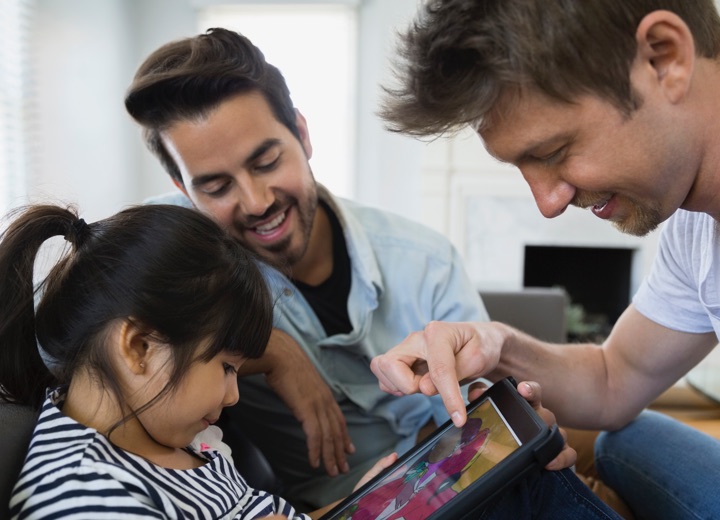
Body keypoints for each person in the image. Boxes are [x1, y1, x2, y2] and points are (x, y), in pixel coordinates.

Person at [123, 28, 623, 518]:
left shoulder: (425, 260)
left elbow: (483, 402)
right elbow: (76, 320)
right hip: (348, 503)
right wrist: (273, 349)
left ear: (302, 132)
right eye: (214, 186)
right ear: (183, 190)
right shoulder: (177, 254)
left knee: (597, 449)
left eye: (268, 161)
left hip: (457, 472)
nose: (256, 201)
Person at [371, 1, 720, 518]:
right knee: (624, 438)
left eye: (554, 151)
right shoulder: (694, 225)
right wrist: (496, 345)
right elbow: (614, 376)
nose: (548, 203)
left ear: (664, 58)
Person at [1, 202, 397, 519]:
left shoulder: (178, 436)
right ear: (140, 348)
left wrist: (364, 506)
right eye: (226, 367)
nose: (233, 396)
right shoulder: (87, 495)